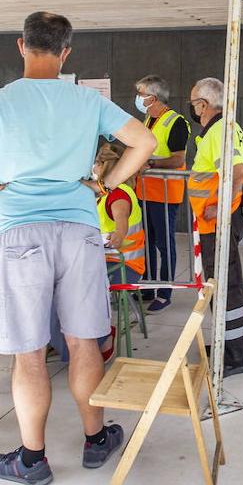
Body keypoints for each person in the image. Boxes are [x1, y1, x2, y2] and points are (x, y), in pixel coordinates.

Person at [0, 11, 156, 485]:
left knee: (29, 353)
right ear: (66, 52)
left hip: (20, 232)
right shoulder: (87, 101)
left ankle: (33, 459)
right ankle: (96, 439)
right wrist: (106, 182)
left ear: (21, 46)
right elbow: (145, 140)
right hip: (78, 228)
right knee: (82, 340)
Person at [187, 77, 243, 377]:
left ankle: (232, 357)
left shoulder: (218, 130)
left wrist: (222, 206)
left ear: (203, 105)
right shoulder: (229, 127)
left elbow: (239, 168)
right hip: (224, 219)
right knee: (223, 284)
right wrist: (238, 197)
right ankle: (226, 346)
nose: (193, 109)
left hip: (217, 223)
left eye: (193, 104)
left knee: (224, 287)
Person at [132, 75, 189, 313]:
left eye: (141, 93)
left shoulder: (176, 122)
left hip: (165, 194)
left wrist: (151, 164)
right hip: (145, 193)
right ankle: (147, 287)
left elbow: (178, 159)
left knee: (164, 245)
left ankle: (164, 292)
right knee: (145, 243)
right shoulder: (148, 120)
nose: (137, 97)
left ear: (152, 98)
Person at [94, 141, 145, 359]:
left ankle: (103, 336)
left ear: (105, 166)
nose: (93, 168)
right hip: (113, 261)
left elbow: (120, 222)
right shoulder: (112, 190)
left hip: (122, 265)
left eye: (96, 163)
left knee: (78, 287)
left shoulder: (118, 195)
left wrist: (117, 236)